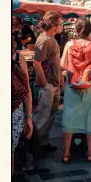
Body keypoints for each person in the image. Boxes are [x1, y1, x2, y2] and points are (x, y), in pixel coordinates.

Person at [59, 17, 91, 163]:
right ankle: (89, 153)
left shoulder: (69, 45)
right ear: (90, 31)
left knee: (69, 117)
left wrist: (75, 69)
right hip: (90, 86)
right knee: (90, 116)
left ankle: (66, 153)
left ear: (76, 30)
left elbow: (62, 65)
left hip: (72, 86)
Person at [33, 11, 63, 152]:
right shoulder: (45, 40)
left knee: (50, 115)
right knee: (41, 118)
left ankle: (43, 142)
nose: (62, 26)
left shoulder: (50, 39)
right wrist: (45, 84)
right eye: (60, 24)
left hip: (54, 84)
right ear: (54, 25)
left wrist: (60, 77)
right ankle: (31, 149)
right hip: (48, 86)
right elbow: (36, 63)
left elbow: (53, 62)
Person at [11, 34, 34, 170]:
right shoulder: (19, 59)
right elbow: (26, 90)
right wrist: (29, 117)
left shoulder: (19, 59)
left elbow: (26, 90)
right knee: (10, 152)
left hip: (10, 111)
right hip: (15, 111)